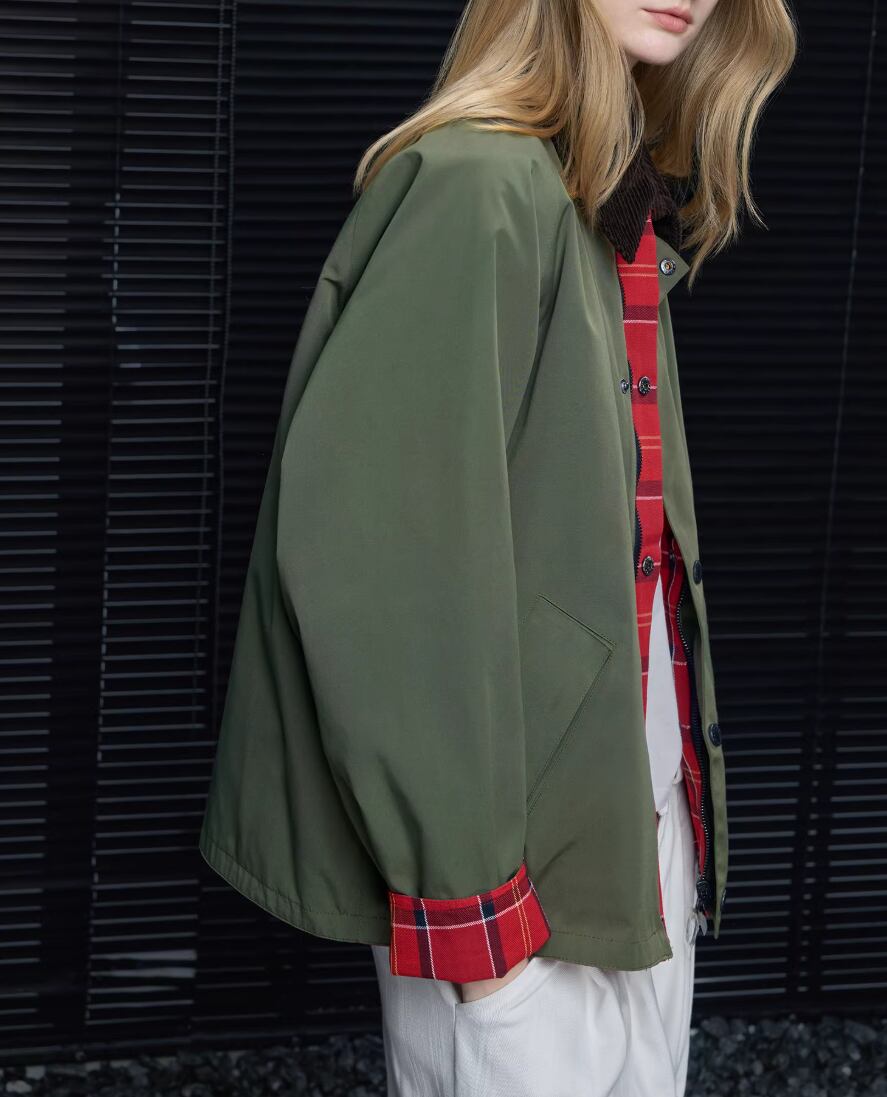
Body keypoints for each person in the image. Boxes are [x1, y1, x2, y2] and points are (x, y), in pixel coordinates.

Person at [198, 1, 797, 1094]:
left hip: (629, 829)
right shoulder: (477, 185)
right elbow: (381, 571)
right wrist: (477, 922)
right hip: (508, 875)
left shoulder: (597, 190)